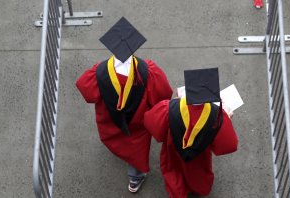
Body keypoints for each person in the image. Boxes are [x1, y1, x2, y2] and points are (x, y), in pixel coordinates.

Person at [75, 17, 173, 193]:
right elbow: (163, 95)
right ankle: (135, 179)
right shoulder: (149, 72)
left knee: (119, 142)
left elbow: (86, 91)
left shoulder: (99, 72)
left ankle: (125, 159)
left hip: (110, 123)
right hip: (138, 125)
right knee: (136, 153)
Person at [144, 68, 238, 197]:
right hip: (200, 157)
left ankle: (177, 193)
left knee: (174, 172)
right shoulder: (218, 116)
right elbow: (229, 145)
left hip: (172, 152)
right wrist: (226, 118)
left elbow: (150, 123)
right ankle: (197, 189)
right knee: (197, 174)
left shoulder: (168, 108)